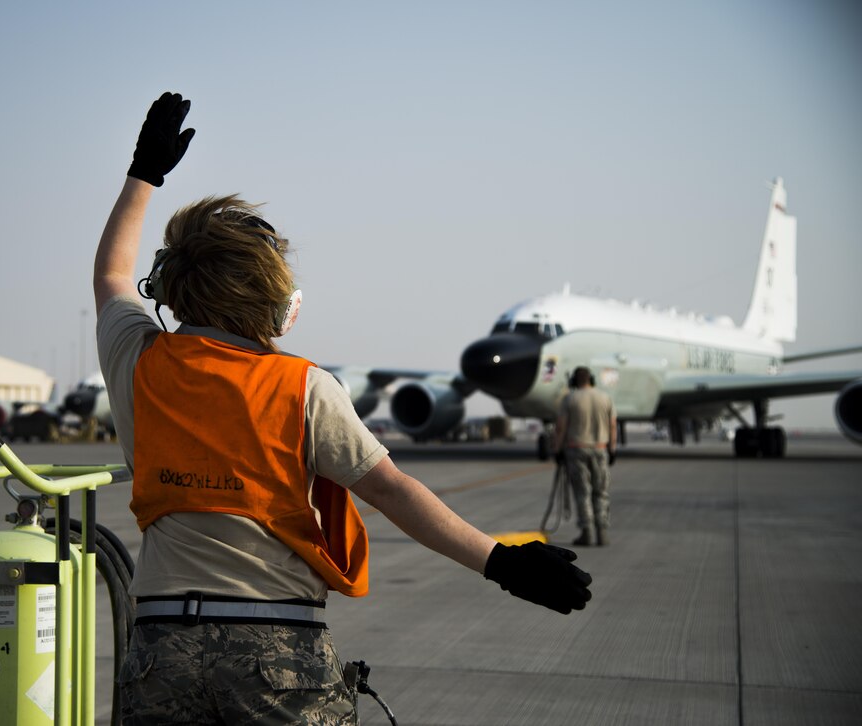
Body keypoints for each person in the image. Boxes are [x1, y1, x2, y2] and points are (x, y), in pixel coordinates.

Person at [95, 92, 592, 725]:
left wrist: (144, 174)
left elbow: (112, 276)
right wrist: (503, 561)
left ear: (168, 288)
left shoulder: (138, 362)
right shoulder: (302, 387)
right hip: (274, 648)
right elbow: (392, 490)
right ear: (275, 305)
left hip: (160, 650)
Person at [553, 367, 617, 547]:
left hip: (576, 450)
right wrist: (612, 449)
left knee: (583, 493)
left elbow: (561, 427)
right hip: (600, 449)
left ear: (574, 381)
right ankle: (602, 532)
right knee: (601, 492)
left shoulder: (569, 399)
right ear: (592, 380)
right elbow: (613, 426)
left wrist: (557, 450)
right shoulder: (605, 398)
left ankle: (587, 532)